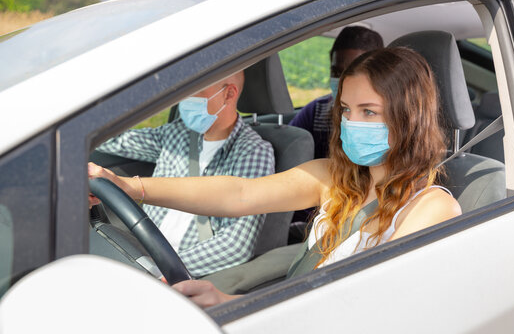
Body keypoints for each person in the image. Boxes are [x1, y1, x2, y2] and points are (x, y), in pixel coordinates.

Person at [89, 47, 461, 308]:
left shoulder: (431, 207)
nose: (352, 123)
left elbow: (372, 308)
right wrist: (132, 187)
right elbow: (239, 194)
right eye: (346, 109)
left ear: (409, 117)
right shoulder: (334, 177)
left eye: (369, 111)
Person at [93, 71, 275, 277]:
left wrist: (164, 270)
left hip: (187, 274)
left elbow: (236, 244)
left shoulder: (253, 151)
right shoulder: (176, 133)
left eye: (195, 90)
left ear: (228, 94)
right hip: (143, 251)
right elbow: (113, 140)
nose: (184, 99)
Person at [290, 26, 383, 159]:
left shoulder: (390, 117)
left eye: (354, 73)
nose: (343, 81)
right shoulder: (316, 112)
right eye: (336, 72)